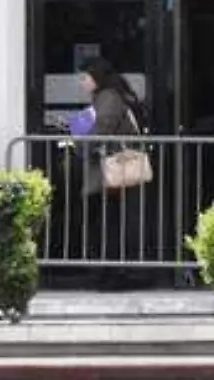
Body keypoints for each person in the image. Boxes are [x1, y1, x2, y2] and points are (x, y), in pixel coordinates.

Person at [69, 57, 146, 290]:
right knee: (107, 220)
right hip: (110, 168)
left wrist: (80, 144)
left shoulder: (108, 97)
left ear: (97, 77)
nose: (82, 82)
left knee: (104, 222)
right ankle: (108, 271)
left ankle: (108, 273)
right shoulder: (110, 95)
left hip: (110, 169)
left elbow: (103, 127)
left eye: (85, 77)